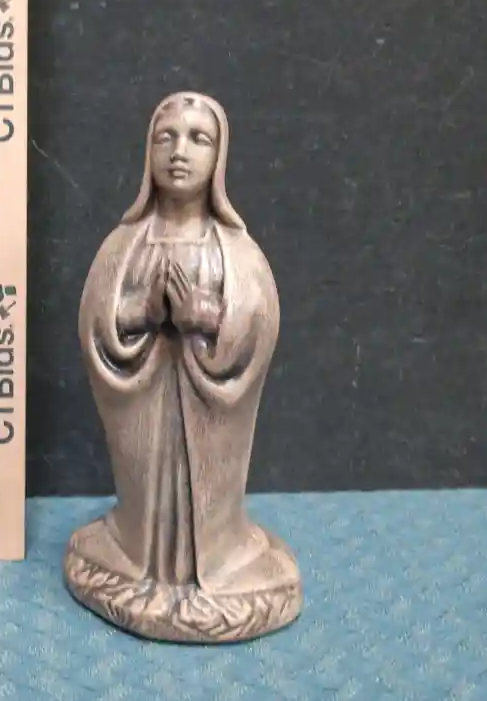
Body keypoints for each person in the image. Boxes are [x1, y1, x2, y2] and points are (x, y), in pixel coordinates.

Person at [65, 91, 302, 643]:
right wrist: (142, 312)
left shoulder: (236, 251)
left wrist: (208, 319)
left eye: (199, 139)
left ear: (219, 157)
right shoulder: (123, 246)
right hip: (145, 409)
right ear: (147, 152)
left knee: (208, 503)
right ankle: (140, 553)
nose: (179, 151)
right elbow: (96, 324)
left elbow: (259, 324)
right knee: (145, 495)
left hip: (208, 410)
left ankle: (214, 558)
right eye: (165, 137)